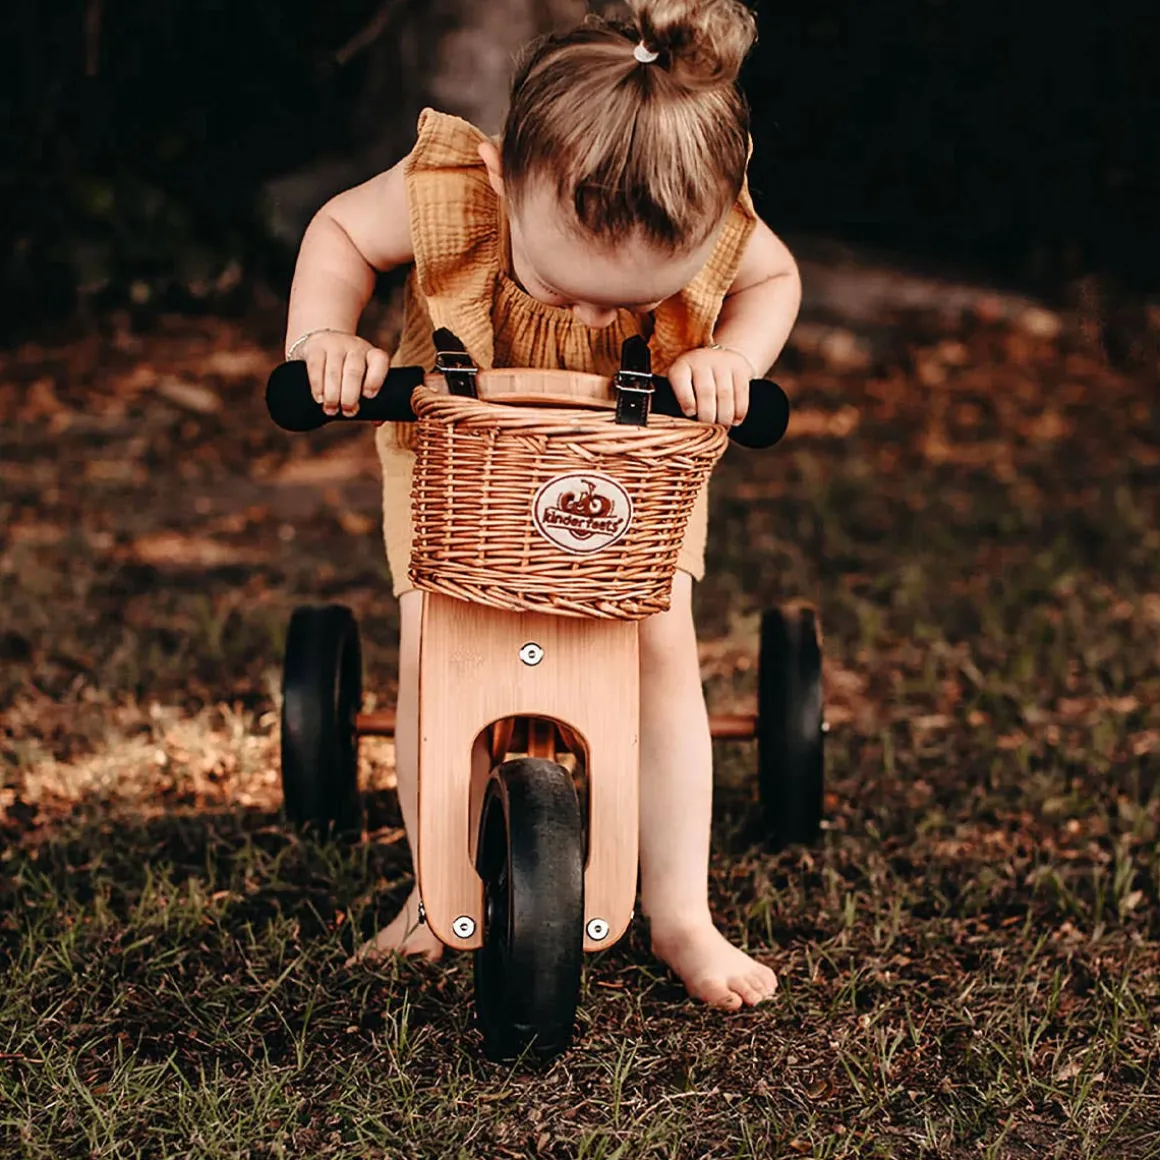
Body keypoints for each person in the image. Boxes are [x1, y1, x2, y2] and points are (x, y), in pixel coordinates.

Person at [284, 0, 801, 1011]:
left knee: (659, 642)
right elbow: (340, 231)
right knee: (437, 640)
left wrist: (730, 357)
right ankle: (436, 892)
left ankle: (679, 910)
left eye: (630, 303)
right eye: (563, 288)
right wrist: (321, 340)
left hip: (629, 466)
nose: (594, 318)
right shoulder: (451, 187)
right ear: (503, 180)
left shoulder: (703, 199)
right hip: (457, 461)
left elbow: (772, 278)